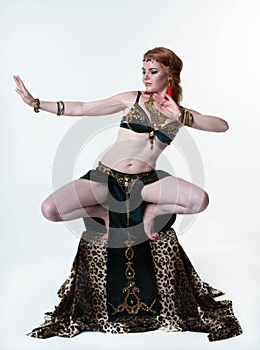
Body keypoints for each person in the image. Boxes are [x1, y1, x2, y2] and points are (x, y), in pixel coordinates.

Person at [14, 47, 242, 341]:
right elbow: (83, 107)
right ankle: (101, 211)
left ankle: (152, 211)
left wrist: (181, 115)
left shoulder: (177, 112)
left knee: (199, 200)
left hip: (145, 181)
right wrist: (36, 103)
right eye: (144, 71)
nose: (146, 77)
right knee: (51, 210)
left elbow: (222, 126)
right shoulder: (131, 99)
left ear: (169, 74)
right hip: (106, 177)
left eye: (154, 71)